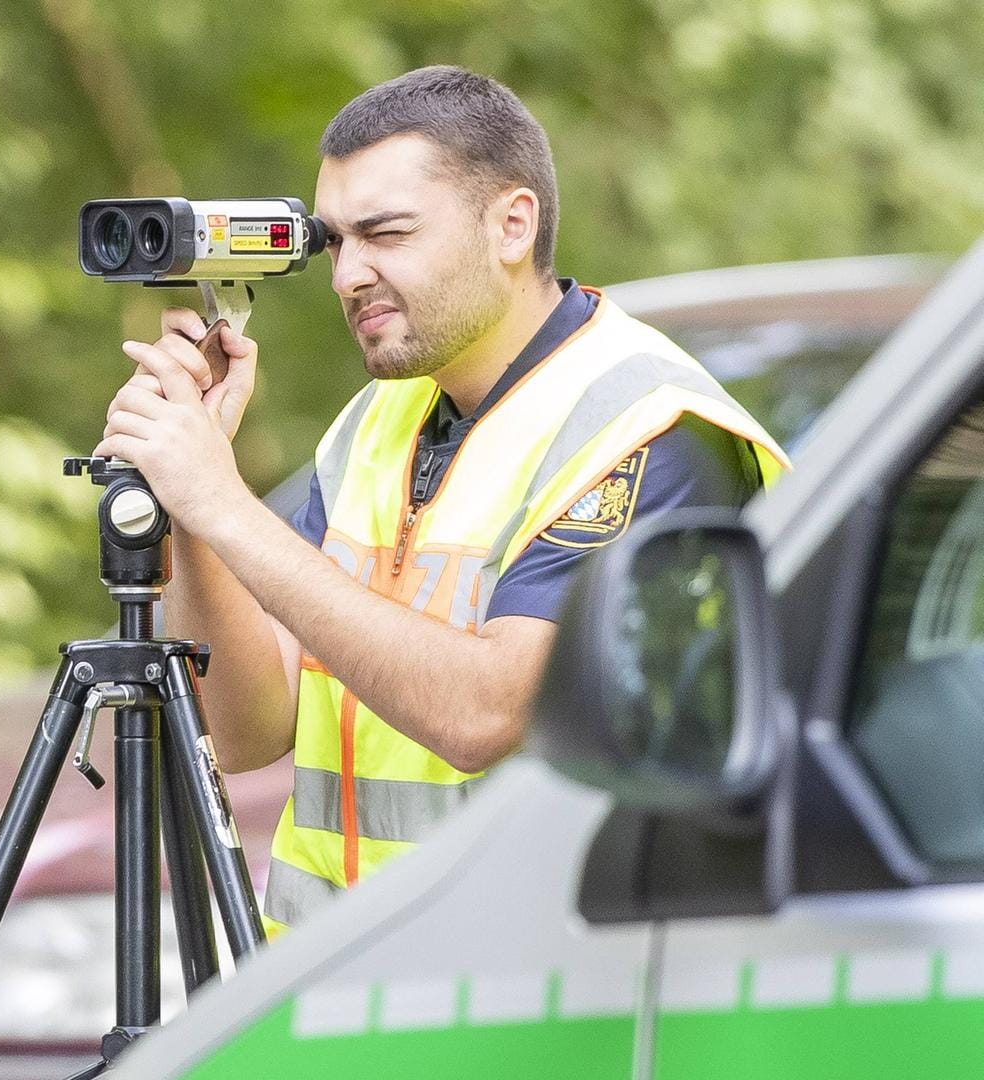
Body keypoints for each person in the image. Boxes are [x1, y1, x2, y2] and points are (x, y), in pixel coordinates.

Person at [92, 65, 790, 935]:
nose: (348, 275)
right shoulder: (378, 419)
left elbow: (482, 713)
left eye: (385, 234)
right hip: (329, 985)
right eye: (335, 241)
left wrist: (227, 504)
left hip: (514, 994)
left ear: (512, 223)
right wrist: (195, 515)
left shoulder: (645, 426)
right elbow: (248, 730)